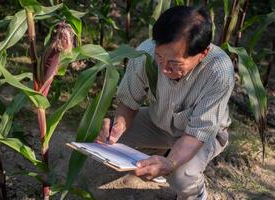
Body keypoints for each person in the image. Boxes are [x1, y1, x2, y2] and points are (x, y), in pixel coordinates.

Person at [96, 5, 234, 200]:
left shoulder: (219, 71)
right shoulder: (145, 53)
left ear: (202, 54)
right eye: (160, 58)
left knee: (180, 175)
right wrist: (119, 125)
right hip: (158, 121)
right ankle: (160, 158)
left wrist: (171, 163)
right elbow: (129, 102)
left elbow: (198, 133)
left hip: (202, 136)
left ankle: (195, 193)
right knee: (108, 142)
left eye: (175, 64)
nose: (164, 69)